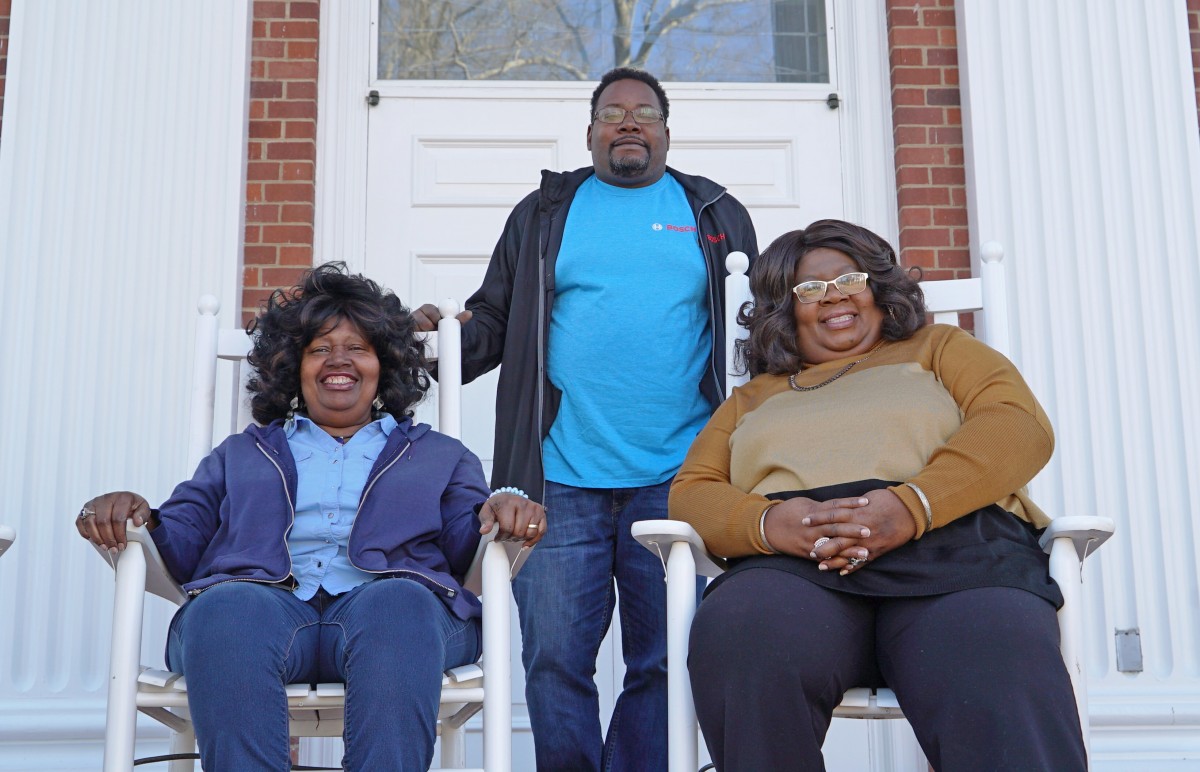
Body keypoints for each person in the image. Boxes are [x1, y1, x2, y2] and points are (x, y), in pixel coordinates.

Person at [414, 67, 758, 770]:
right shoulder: (545, 213)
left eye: (644, 112)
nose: (628, 122)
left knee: (667, 657)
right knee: (553, 660)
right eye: (612, 112)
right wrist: (423, 344)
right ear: (591, 131)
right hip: (559, 475)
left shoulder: (715, 212)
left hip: (680, 476)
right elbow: (494, 319)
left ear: (666, 130)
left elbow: (756, 331)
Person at [75, 263, 545, 771]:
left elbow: (463, 542)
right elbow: (183, 539)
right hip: (261, 613)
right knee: (226, 608)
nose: (337, 360)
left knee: (398, 603)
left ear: (382, 365)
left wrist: (502, 505)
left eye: (357, 348)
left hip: (399, 622)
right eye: (319, 348)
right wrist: (138, 515)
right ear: (292, 367)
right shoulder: (242, 453)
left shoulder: (439, 455)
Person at [671, 220, 1086, 771]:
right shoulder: (752, 397)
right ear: (784, 310)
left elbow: (1017, 426)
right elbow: (693, 492)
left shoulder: (940, 348)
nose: (834, 297)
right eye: (809, 289)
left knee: (997, 645)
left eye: (849, 279)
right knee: (743, 633)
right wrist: (772, 524)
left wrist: (911, 506)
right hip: (796, 568)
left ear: (878, 289)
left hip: (955, 549)